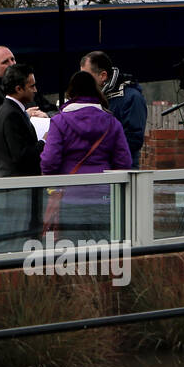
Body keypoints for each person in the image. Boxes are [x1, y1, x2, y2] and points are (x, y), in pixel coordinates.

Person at [40, 69, 132, 242]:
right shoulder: (112, 122)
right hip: (104, 199)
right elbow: (124, 162)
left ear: (71, 93)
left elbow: (49, 162)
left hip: (70, 199)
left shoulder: (59, 121)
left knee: (73, 259)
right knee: (104, 257)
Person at [0, 63, 45, 250]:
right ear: (18, 88)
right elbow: (21, 156)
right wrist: (44, 141)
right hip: (18, 192)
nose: (36, 90)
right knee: (16, 243)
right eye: (32, 86)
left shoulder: (11, 111)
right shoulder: (11, 114)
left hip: (15, 189)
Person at [80, 50, 147, 169]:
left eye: (86, 77)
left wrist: (98, 150)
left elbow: (134, 140)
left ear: (103, 76)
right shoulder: (91, 97)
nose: (82, 81)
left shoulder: (132, 97)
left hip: (123, 174)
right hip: (98, 170)